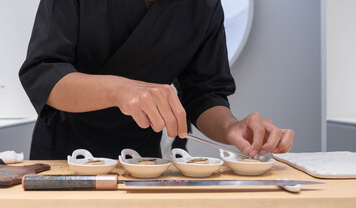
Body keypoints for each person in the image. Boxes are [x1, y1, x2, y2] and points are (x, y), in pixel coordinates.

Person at [19, 0, 294, 160]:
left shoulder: (204, 6)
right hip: (67, 154)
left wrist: (231, 127)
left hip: (141, 159)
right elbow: (42, 73)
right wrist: (120, 90)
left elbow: (205, 93)